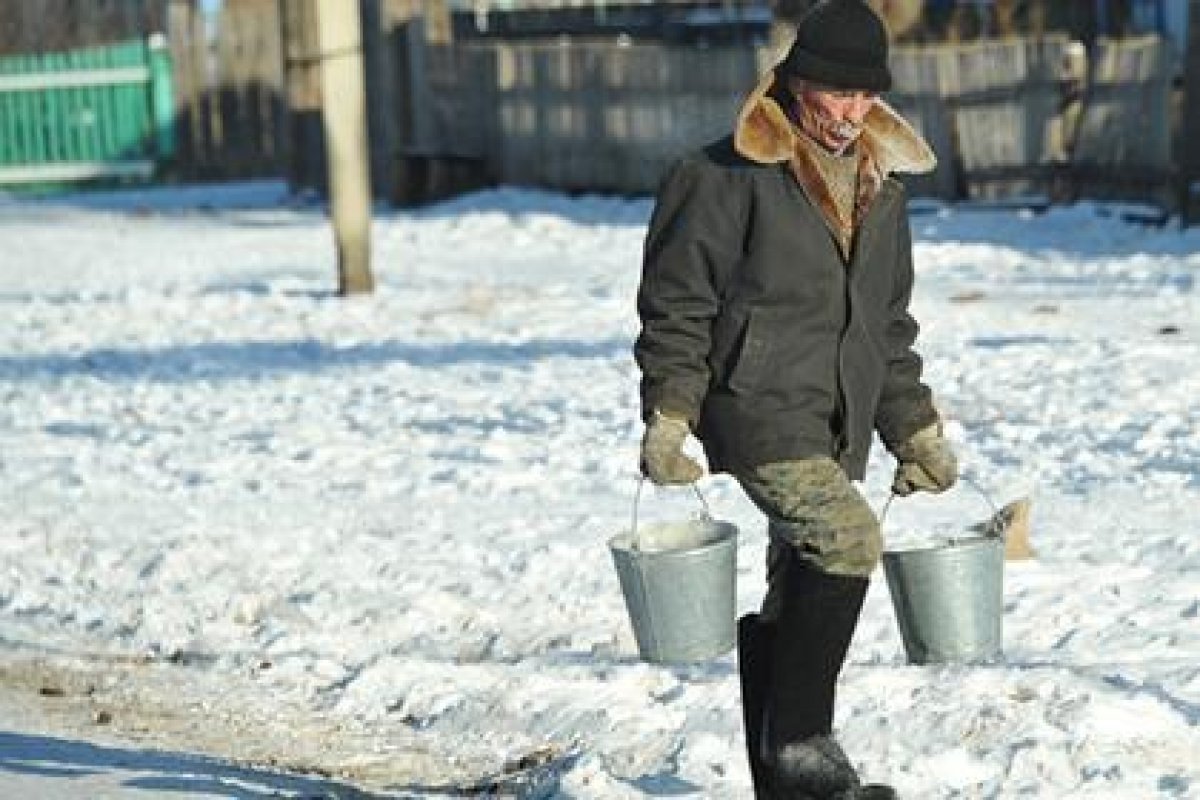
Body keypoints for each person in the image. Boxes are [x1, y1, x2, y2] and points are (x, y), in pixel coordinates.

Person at [633, 1, 959, 798]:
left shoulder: (885, 191)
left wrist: (914, 430)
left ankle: (782, 780)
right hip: (753, 403)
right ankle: (806, 745)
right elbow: (678, 306)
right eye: (831, 93)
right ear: (792, 81)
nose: (848, 113)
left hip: (833, 416)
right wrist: (671, 413)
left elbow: (886, 325)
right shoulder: (721, 175)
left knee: (797, 585)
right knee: (846, 539)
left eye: (863, 97)